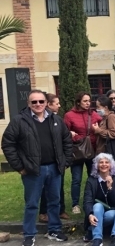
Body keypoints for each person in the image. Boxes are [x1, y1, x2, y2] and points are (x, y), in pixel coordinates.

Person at [1, 89, 72, 246]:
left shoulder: (56, 120)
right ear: (28, 104)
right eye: (34, 102)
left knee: (55, 201)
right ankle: (29, 234)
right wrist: (19, 166)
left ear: (46, 103)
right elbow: (8, 144)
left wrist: (65, 161)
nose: (38, 104)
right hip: (33, 171)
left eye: (41, 101)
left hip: (54, 168)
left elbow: (67, 141)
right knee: (32, 203)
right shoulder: (19, 121)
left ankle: (54, 230)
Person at [64, 92, 102, 215]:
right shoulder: (69, 115)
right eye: (85, 101)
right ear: (78, 102)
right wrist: (73, 136)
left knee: (94, 177)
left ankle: (94, 200)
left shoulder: (94, 114)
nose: (87, 103)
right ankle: (75, 204)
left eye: (89, 101)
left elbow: (102, 127)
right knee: (76, 179)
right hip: (78, 151)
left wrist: (98, 130)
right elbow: (65, 133)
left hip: (93, 151)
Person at [82, 153, 115, 246]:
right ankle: (97, 238)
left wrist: (110, 187)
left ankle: (91, 230)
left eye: (107, 162)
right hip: (97, 212)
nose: (104, 165)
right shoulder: (92, 180)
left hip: (113, 211)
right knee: (97, 206)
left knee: (111, 214)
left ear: (111, 165)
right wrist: (90, 214)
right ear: (97, 165)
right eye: (101, 162)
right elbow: (87, 199)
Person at [38, 93, 68, 223]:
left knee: (58, 187)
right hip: (44, 162)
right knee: (45, 188)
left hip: (58, 160)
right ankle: (44, 212)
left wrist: (66, 159)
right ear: (49, 104)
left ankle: (60, 210)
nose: (59, 105)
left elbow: (64, 138)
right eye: (56, 103)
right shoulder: (40, 121)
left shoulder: (57, 119)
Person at [93, 96, 115, 166]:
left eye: (98, 107)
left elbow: (113, 133)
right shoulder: (104, 118)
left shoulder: (111, 117)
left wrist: (98, 130)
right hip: (103, 152)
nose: (97, 109)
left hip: (109, 152)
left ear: (105, 107)